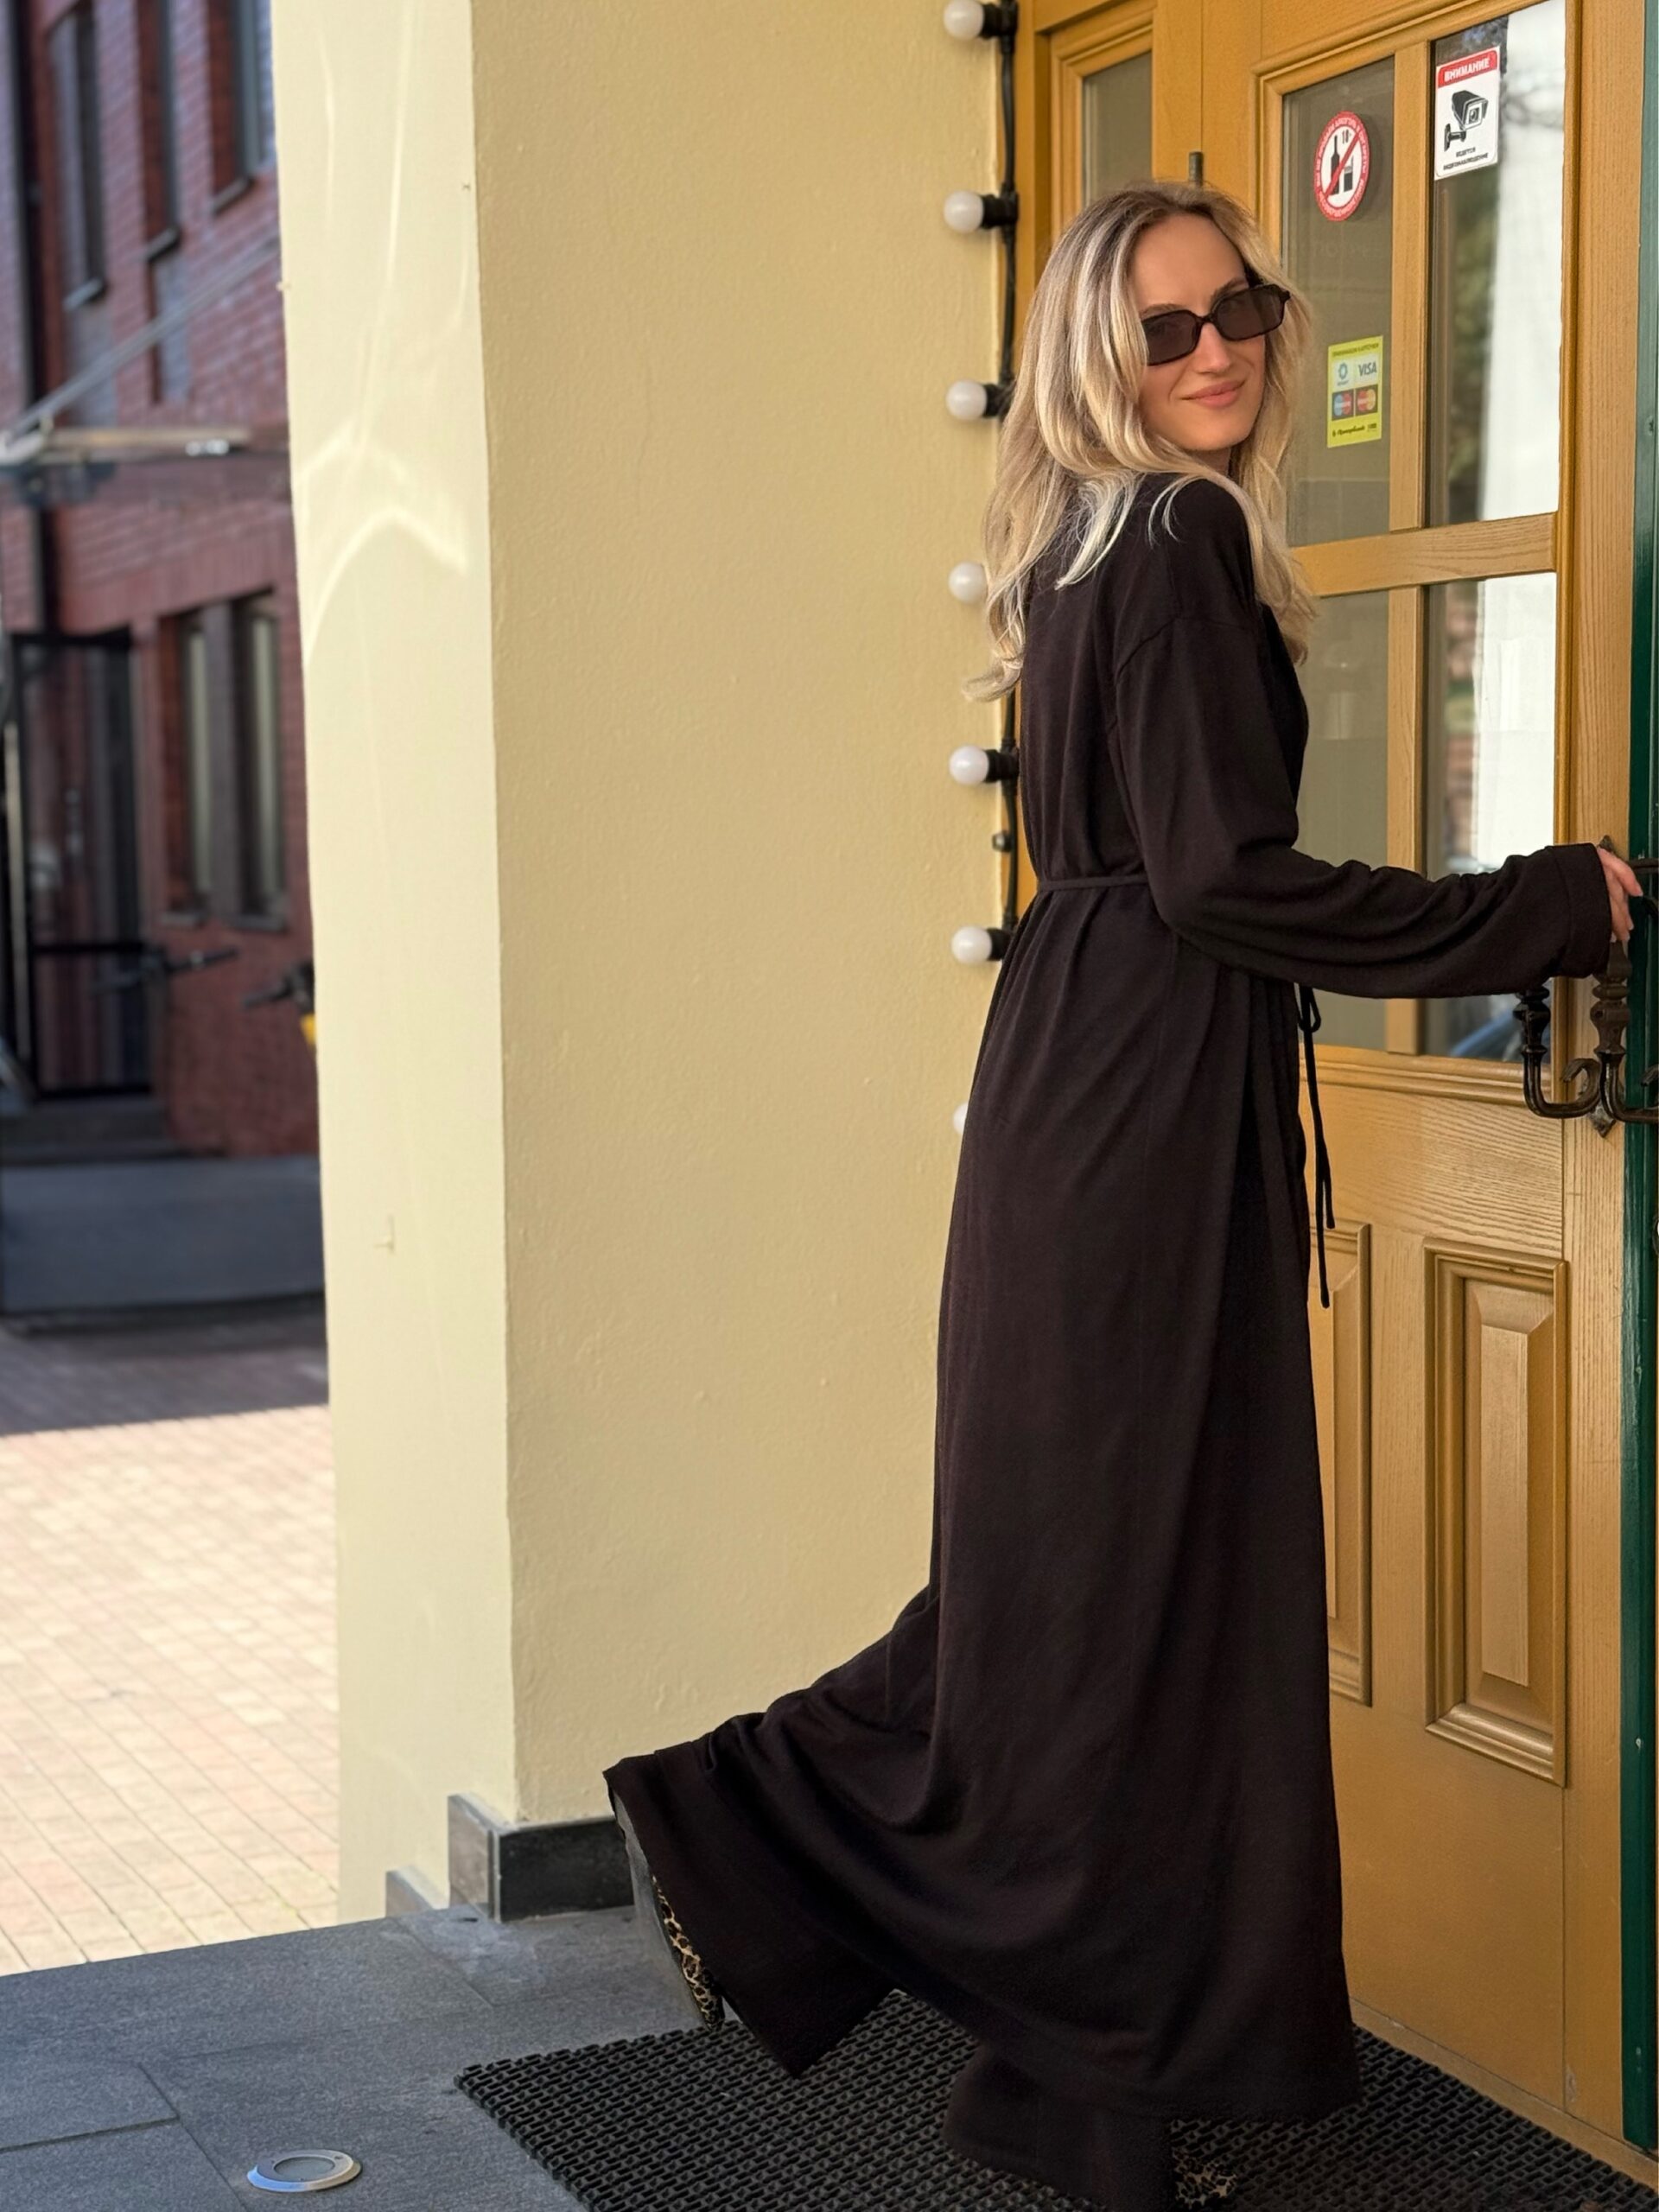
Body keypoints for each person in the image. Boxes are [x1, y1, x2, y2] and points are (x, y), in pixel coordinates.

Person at [604, 177, 1640, 2212]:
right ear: (1099, 355)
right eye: (1166, 327)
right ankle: (743, 1819)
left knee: (1110, 1597)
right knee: (1116, 1596)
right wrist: (1541, 909)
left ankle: (1077, 2091)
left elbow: (1168, 876)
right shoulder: (1166, 535)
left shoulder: (1096, 542)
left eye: (1240, 308)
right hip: (1140, 1115)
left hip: (1095, 1093)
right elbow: (1226, 880)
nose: (1218, 349)